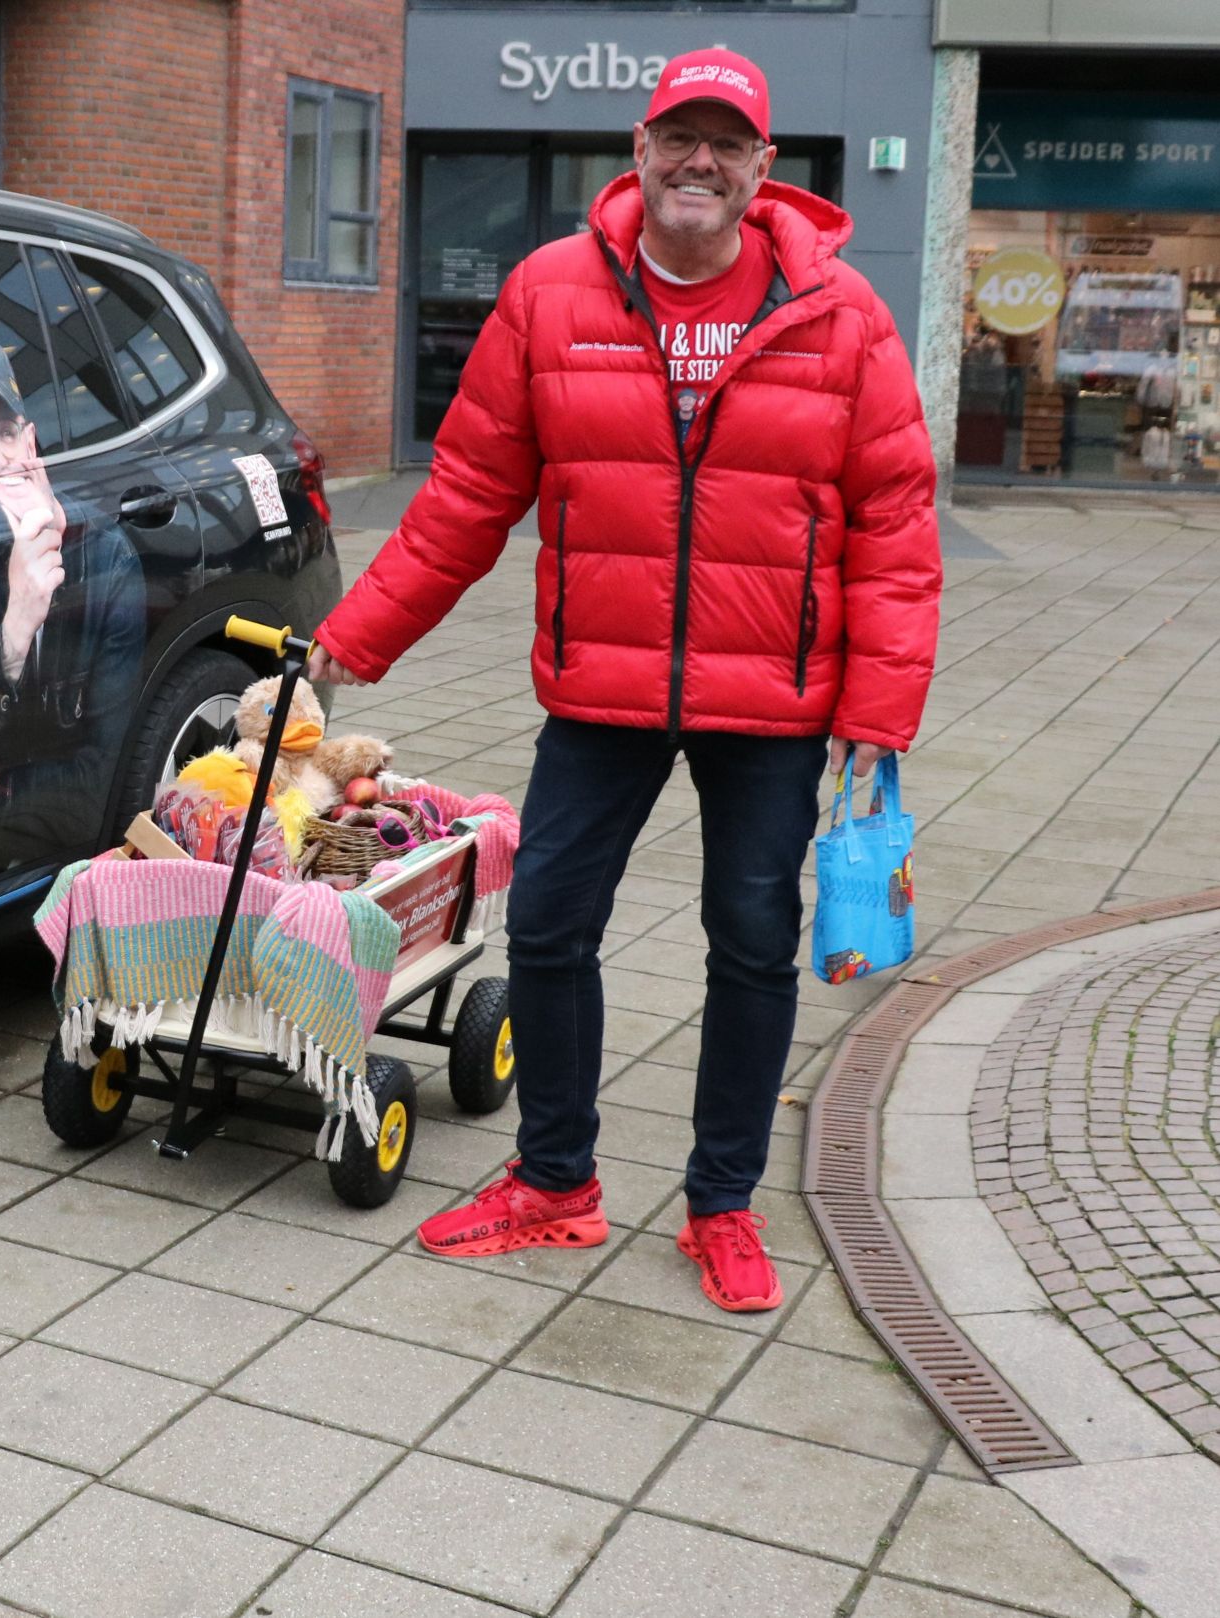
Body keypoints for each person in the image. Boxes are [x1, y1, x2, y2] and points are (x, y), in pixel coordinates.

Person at [309, 48, 939, 1313]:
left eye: (727, 142)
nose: (699, 161)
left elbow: (896, 525)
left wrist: (877, 717)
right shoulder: (551, 294)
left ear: (765, 169)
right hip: (599, 685)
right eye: (678, 137)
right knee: (544, 922)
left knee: (752, 946)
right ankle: (555, 1183)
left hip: (775, 698)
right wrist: (351, 640)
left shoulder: (840, 313)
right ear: (639, 151)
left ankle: (721, 1205)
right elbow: (467, 496)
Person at [0, 325, 145, 853]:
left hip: (71, 846)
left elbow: (108, 774)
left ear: (30, 439)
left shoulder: (105, 556)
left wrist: (3, 793)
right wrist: (16, 626)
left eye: (6, 433)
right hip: (18, 839)